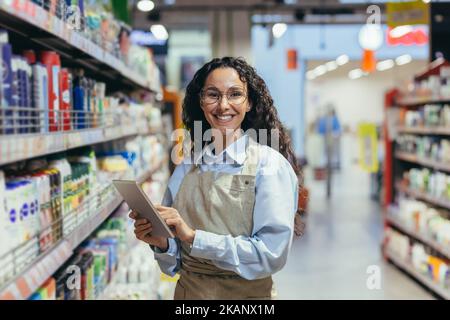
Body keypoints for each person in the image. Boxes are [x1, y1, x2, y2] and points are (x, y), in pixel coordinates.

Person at [129, 57, 301, 300]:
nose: (223, 106)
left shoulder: (269, 166)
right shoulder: (187, 166)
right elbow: (174, 263)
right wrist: (162, 243)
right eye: (213, 95)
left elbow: (270, 254)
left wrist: (193, 237)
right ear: (201, 101)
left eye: (234, 94)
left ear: (249, 102)